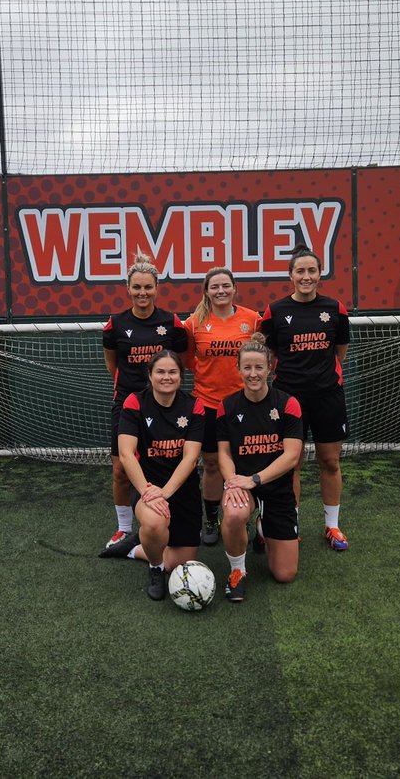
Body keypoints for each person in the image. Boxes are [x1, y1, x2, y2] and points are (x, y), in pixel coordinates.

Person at [260, 247, 352, 551]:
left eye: (312, 270)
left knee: (330, 461)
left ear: (320, 274)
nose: (306, 276)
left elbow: (339, 353)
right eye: (300, 271)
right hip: (289, 401)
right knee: (292, 464)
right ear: (290, 275)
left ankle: (332, 526)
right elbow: (271, 354)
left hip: (327, 397)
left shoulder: (335, 309)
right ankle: (292, 523)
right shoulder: (274, 312)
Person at [99, 251, 189, 558]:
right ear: (128, 289)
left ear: (157, 288)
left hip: (164, 406)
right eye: (136, 287)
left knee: (168, 461)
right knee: (120, 469)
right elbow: (114, 365)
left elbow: (180, 362)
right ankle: (125, 528)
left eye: (148, 287)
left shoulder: (171, 323)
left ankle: (171, 515)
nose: (142, 293)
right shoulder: (116, 325)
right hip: (127, 403)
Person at [216, 334, 303, 602]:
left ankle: (263, 529)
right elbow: (224, 453)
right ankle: (237, 571)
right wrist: (232, 481)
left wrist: (255, 479)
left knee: (284, 574)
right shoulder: (227, 406)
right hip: (243, 484)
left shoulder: (288, 403)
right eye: (247, 367)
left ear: (270, 368)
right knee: (232, 514)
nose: (253, 374)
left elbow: (291, 456)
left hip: (274, 486)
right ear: (239, 369)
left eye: (259, 367)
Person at [117, 349, 205, 599]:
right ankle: (155, 568)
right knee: (156, 524)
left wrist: (165, 492)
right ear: (150, 375)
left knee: (179, 563)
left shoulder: (194, 405)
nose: (167, 377)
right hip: (146, 486)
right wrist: (148, 491)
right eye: (160, 372)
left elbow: (190, 458)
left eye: (173, 372)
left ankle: (134, 548)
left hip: (181, 489)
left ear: (181, 376)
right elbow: (126, 454)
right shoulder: (135, 402)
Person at [183, 267, 260, 546]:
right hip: (208, 404)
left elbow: (261, 358)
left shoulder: (252, 320)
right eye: (214, 287)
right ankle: (211, 519)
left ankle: (252, 517)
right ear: (206, 291)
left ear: (234, 288)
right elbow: (189, 360)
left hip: (245, 405)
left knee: (246, 463)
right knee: (213, 464)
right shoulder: (194, 323)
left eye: (225, 286)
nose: (221, 291)